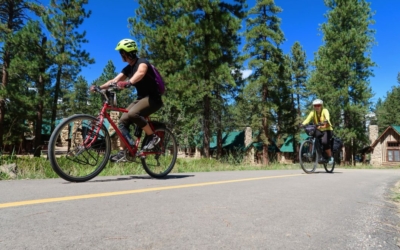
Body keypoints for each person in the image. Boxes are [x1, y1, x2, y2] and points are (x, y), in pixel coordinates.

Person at [90, 38, 163, 162]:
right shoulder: (128, 69)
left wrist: (129, 82)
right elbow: (114, 80)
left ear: (127, 52)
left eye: (121, 52)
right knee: (122, 121)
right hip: (141, 99)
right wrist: (99, 87)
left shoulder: (142, 62)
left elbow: (140, 73)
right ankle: (124, 151)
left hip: (153, 98)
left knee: (133, 113)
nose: (120, 55)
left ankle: (152, 136)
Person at [301, 99, 334, 164]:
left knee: (324, 142)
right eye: (315, 106)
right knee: (312, 136)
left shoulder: (325, 110)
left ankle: (330, 157)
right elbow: (307, 120)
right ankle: (311, 153)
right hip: (319, 130)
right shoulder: (312, 112)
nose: (317, 107)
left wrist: (326, 120)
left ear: (321, 105)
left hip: (327, 130)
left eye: (318, 105)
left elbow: (327, 117)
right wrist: (302, 124)